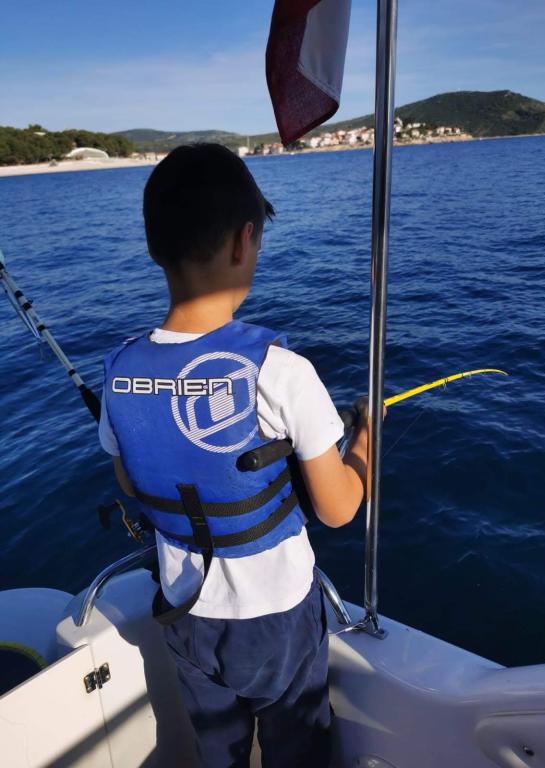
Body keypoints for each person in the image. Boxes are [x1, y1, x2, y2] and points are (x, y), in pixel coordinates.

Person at [98, 143, 383, 768]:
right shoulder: (282, 372)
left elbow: (131, 478)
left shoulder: (118, 372)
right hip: (277, 618)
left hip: (184, 612)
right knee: (299, 749)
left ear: (153, 247)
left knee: (218, 751)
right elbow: (338, 510)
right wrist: (365, 437)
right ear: (243, 241)